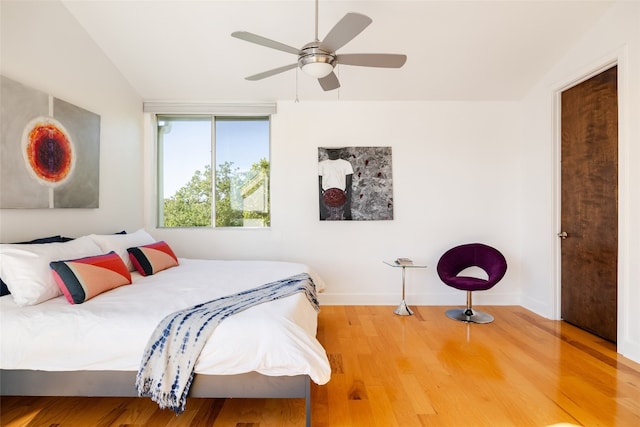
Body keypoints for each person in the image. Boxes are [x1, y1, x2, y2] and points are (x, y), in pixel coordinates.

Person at [318, 148, 353, 220]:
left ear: (340, 150)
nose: (333, 151)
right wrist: (322, 206)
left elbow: (349, 185)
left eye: (336, 149)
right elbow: (318, 185)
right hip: (325, 199)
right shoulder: (321, 165)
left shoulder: (346, 164)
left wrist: (347, 206)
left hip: (342, 199)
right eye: (330, 149)